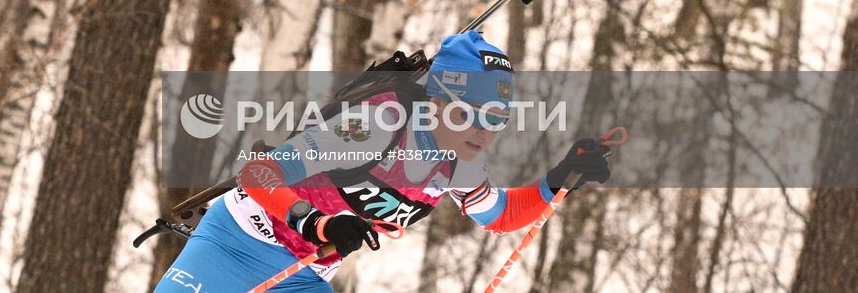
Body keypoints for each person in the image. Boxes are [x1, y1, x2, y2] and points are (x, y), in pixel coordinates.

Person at [154, 30, 613, 293]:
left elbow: (502, 216)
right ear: (437, 99)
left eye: (496, 117)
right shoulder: (377, 124)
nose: (483, 129)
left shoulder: (461, 162)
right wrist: (318, 223)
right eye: (469, 111)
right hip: (236, 244)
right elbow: (259, 173)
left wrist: (559, 179)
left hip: (301, 278)